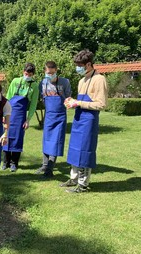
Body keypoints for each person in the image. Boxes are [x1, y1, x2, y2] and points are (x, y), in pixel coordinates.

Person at [61, 49, 108, 193]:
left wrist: (79, 103)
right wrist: (71, 102)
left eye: (80, 65)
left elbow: (101, 104)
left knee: (85, 150)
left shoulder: (99, 79)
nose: (78, 68)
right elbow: (80, 101)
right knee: (75, 149)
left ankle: (83, 184)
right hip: (78, 119)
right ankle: (73, 178)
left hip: (89, 120)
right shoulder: (82, 80)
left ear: (88, 64)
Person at [36, 61, 71, 179]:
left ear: (56, 70)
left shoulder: (65, 82)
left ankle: (50, 169)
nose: (50, 74)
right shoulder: (43, 83)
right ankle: (44, 165)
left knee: (55, 142)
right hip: (49, 116)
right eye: (48, 72)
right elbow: (42, 97)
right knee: (46, 141)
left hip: (60, 116)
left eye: (52, 72)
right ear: (45, 71)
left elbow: (68, 98)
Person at [2, 63, 39, 172]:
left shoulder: (34, 86)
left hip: (21, 116)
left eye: (30, 74)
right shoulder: (15, 81)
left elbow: (33, 105)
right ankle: (5, 162)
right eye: (26, 73)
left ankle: (14, 163)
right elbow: (8, 97)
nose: (27, 76)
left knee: (18, 138)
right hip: (10, 113)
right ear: (23, 72)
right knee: (6, 136)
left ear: (33, 75)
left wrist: (28, 119)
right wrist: (4, 114)